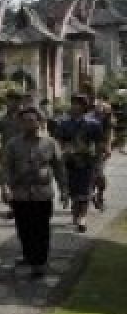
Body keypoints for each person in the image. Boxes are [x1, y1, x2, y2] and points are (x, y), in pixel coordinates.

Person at [0, 106, 68, 278]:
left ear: (39, 121)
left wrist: (64, 190)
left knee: (42, 229)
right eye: (25, 121)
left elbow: (59, 167)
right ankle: (29, 255)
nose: (29, 123)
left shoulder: (50, 143)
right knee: (24, 228)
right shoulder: (13, 144)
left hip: (42, 194)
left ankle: (39, 262)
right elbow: (5, 167)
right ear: (20, 123)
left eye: (32, 120)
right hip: (20, 194)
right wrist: (5, 187)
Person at [54, 94, 104, 233]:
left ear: (84, 106)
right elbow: (58, 142)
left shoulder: (93, 123)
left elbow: (100, 145)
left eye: (79, 104)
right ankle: (76, 214)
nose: (75, 106)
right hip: (69, 162)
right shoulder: (63, 123)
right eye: (74, 103)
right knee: (74, 192)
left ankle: (83, 217)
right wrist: (62, 152)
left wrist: (99, 164)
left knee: (85, 191)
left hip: (87, 162)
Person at [92, 95, 116, 211]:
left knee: (99, 175)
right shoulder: (90, 117)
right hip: (89, 150)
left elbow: (110, 133)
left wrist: (108, 147)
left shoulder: (108, 118)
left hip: (100, 150)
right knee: (91, 175)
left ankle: (99, 196)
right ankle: (89, 197)